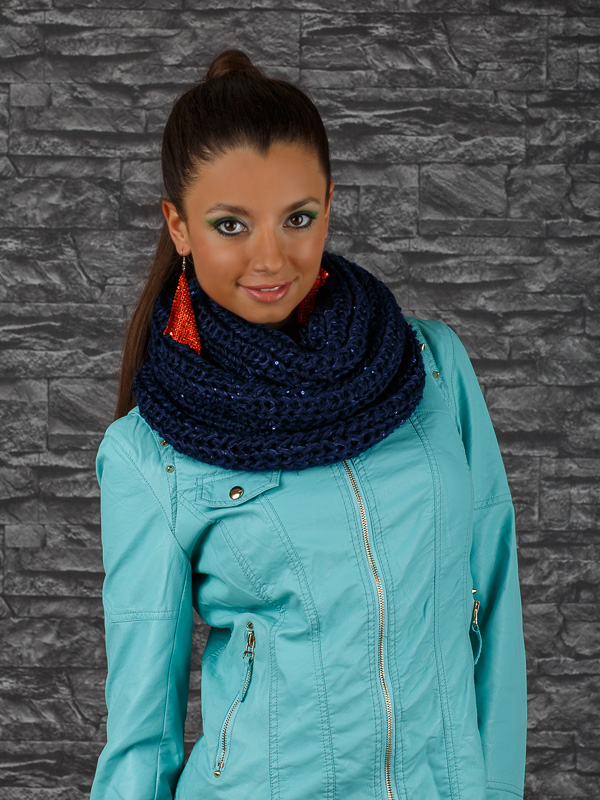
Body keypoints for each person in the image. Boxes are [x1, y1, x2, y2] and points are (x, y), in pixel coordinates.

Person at [89, 48, 527, 800]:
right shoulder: (146, 453)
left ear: (330, 201)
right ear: (179, 226)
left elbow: (493, 593)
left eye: (298, 218)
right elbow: (141, 730)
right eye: (230, 224)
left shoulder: (432, 367)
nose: (271, 259)